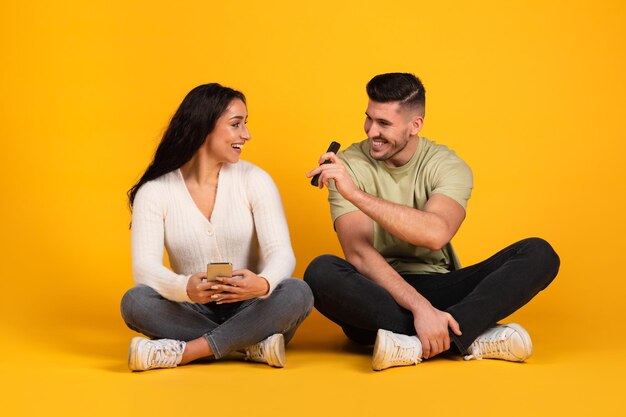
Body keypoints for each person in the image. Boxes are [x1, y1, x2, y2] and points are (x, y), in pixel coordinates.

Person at [304, 73, 560, 371]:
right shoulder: (346, 165)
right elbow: (359, 254)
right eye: (369, 118)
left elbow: (435, 233)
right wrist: (419, 308)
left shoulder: (447, 166)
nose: (372, 131)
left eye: (384, 123)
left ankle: (417, 343)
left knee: (539, 253)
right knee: (320, 271)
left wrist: (356, 194)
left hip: (441, 286)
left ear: (415, 125)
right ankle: (467, 335)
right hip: (377, 294)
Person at [121, 83, 313, 371]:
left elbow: (281, 254)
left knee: (298, 292)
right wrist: (184, 287)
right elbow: (144, 269)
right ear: (204, 127)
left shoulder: (255, 180)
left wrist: (261, 285)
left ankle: (188, 351)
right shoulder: (156, 191)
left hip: (252, 304)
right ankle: (252, 343)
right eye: (236, 125)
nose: (246, 135)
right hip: (190, 307)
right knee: (135, 301)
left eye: (245, 125)